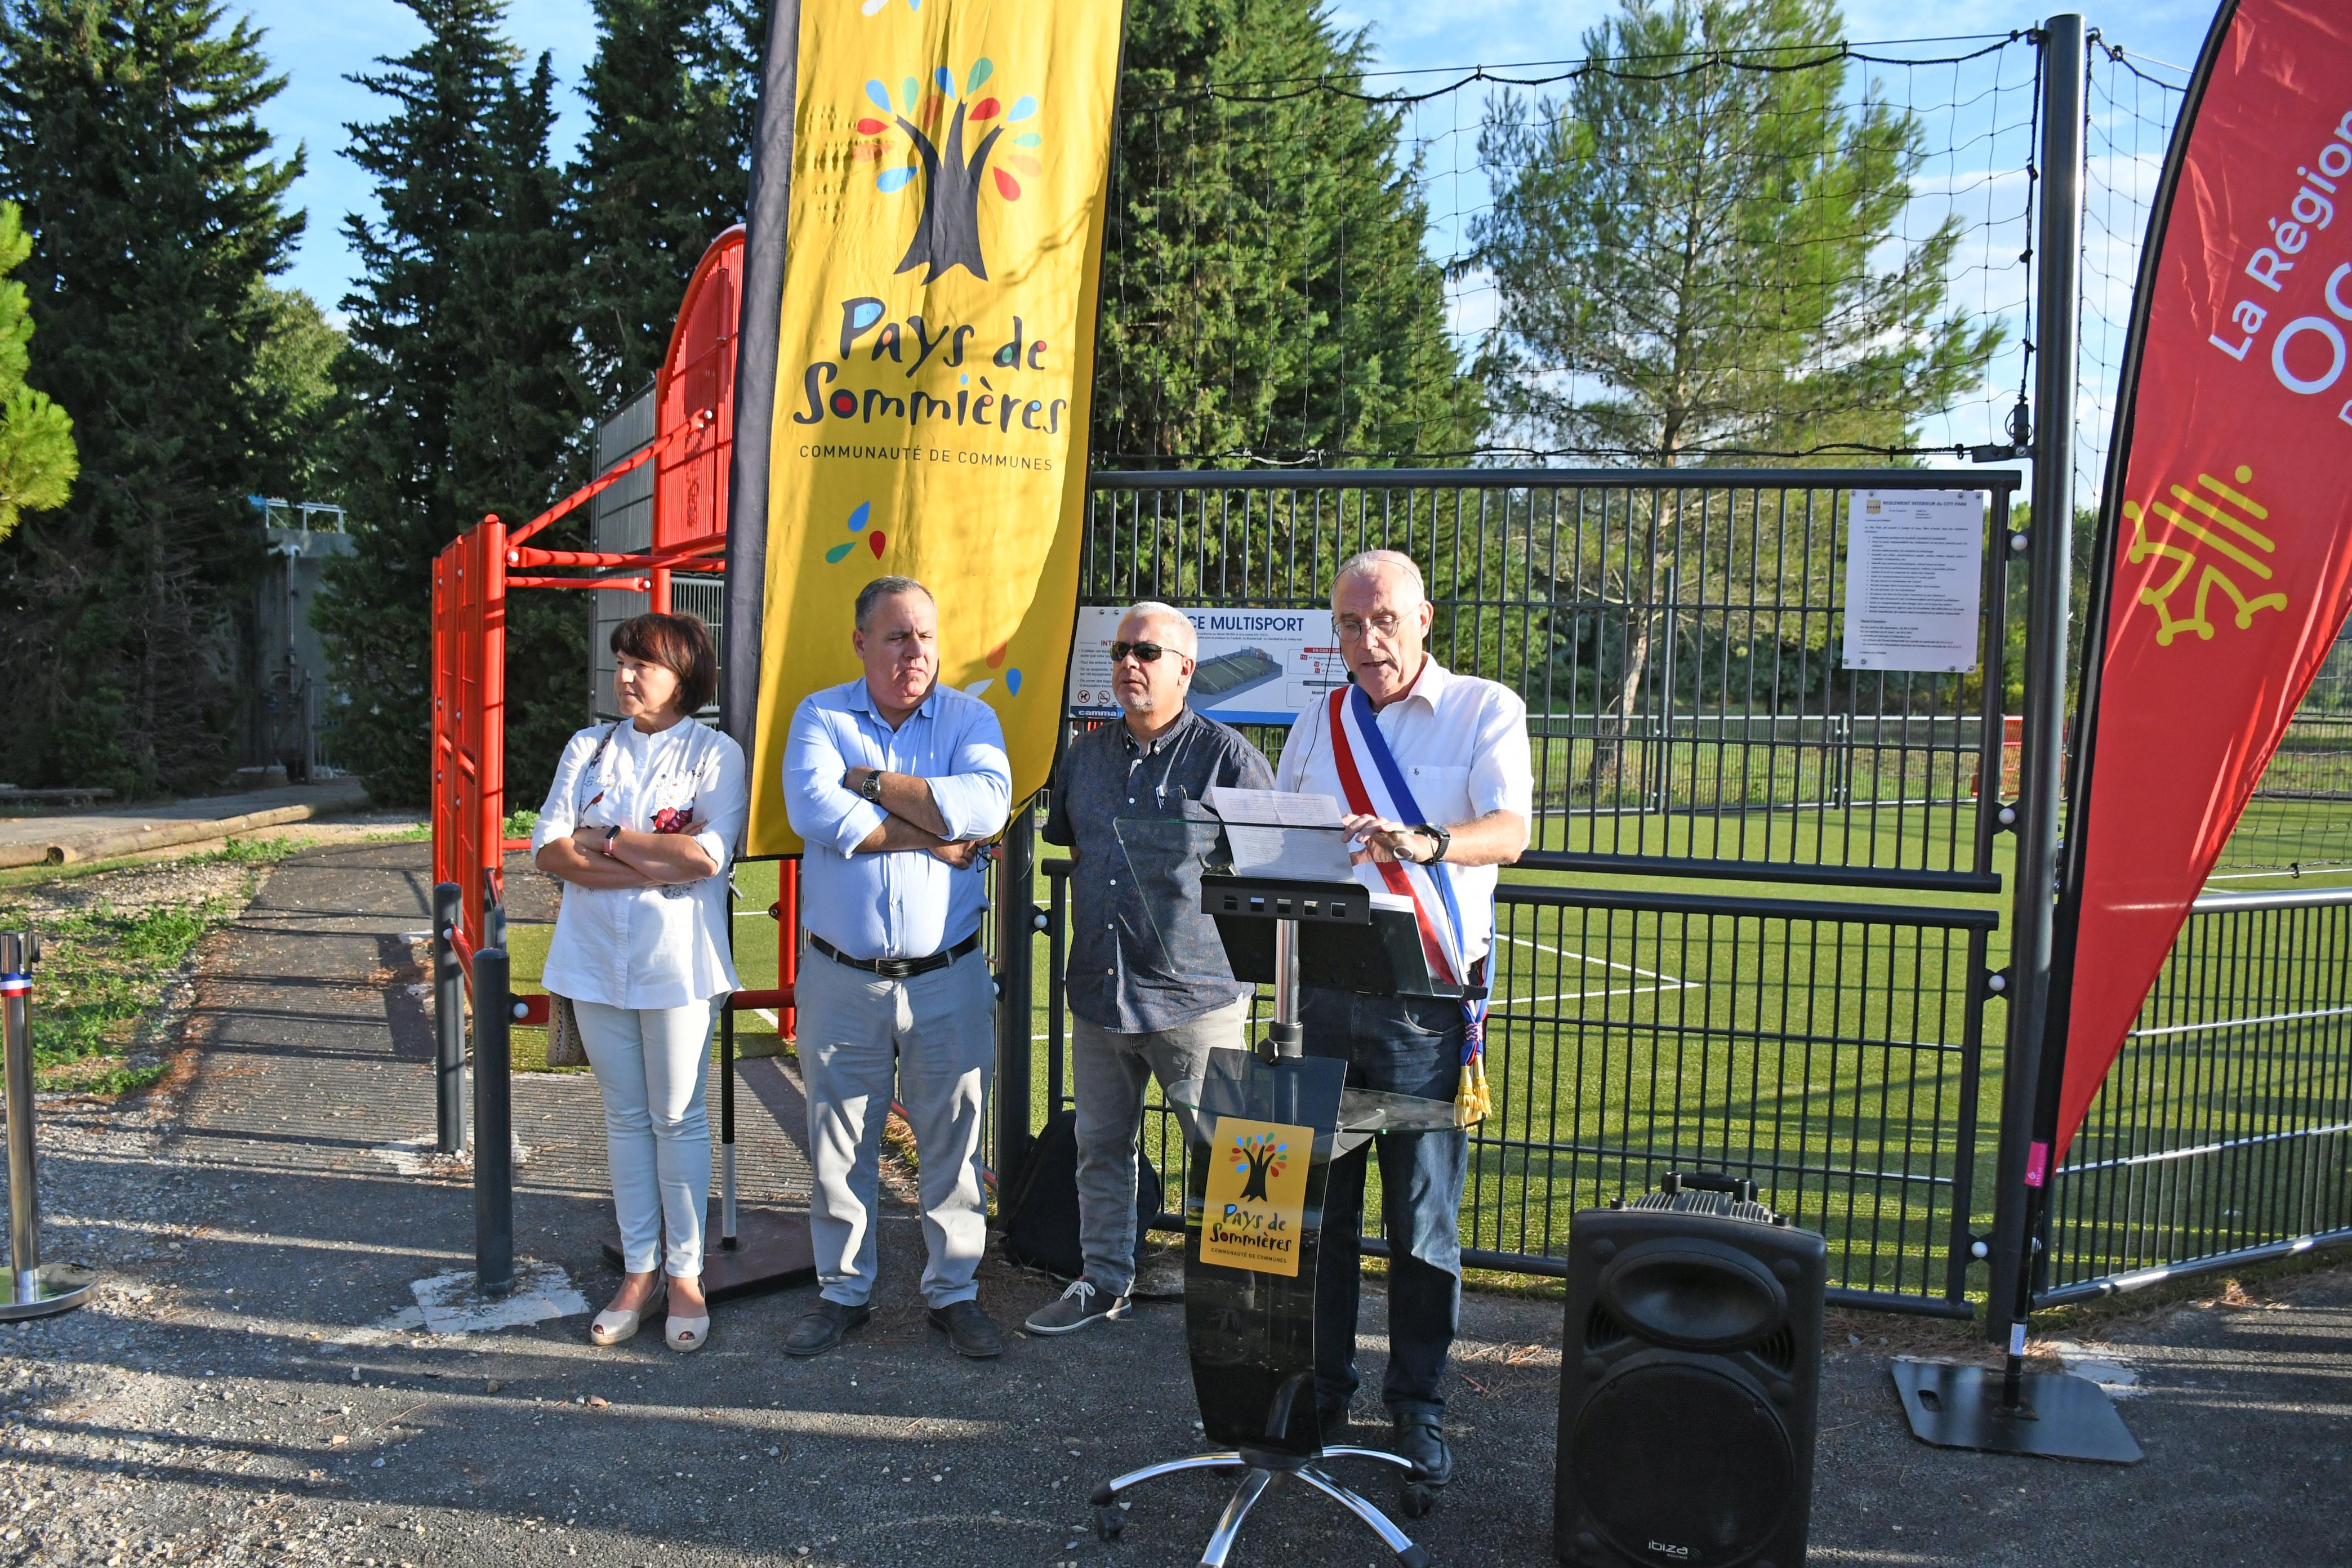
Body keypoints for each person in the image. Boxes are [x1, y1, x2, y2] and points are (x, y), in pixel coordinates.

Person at [1271, 548, 1531, 1496]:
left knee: (1422, 1220)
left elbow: (1512, 830)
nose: (1367, 640)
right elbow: (1291, 834)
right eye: (1349, 623)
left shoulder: (1484, 709)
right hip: (1322, 990)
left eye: (1384, 620)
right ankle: (1326, 1390)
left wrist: (1427, 843)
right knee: (1322, 1215)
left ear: (1425, 618)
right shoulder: (1321, 717)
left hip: (1423, 999)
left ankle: (1417, 1405)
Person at [1024, 603, 1275, 1337]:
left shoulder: (1229, 759)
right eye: (1122, 651)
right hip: (1101, 991)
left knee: (1234, 1156)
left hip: (1198, 999)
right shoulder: (1087, 755)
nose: (1131, 663)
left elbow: (1276, 875)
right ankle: (1103, 1281)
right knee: (1100, 1147)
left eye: (1149, 652)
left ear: (1187, 670)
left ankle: (1245, 1302)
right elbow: (1075, 846)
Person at [781, 576, 1013, 1359]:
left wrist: (873, 785)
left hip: (948, 973)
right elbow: (815, 811)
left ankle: (955, 1292)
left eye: (925, 637)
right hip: (842, 974)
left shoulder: (973, 719)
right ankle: (843, 1292)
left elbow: (983, 807)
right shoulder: (820, 715)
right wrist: (932, 834)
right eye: (896, 637)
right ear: (860, 643)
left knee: (955, 1138)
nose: (915, 652)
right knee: (839, 1141)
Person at [532, 612, 747, 1355]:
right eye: (621, 662)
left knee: (678, 1118)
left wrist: (611, 841)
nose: (625, 676)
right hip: (592, 960)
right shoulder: (587, 748)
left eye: (642, 664)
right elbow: (549, 852)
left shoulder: (716, 754)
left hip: (680, 966)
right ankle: (639, 1269)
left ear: (684, 675)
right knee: (625, 1119)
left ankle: (686, 1274)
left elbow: (706, 857)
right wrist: (651, 861)